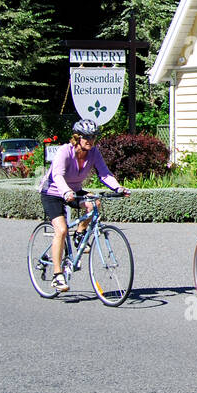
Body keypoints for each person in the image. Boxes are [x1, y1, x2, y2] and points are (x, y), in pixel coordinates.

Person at [37, 119, 129, 293]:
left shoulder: (94, 153)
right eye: (86, 137)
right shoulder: (65, 151)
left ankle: (79, 235)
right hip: (53, 193)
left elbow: (104, 173)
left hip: (74, 190)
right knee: (62, 230)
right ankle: (57, 276)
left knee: (94, 203)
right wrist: (65, 192)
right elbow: (57, 175)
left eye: (93, 136)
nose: (90, 140)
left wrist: (118, 187)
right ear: (77, 137)